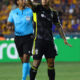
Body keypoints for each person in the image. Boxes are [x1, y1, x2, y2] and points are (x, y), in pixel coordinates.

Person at [27, 0, 72, 80]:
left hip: (49, 41)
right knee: (36, 63)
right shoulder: (37, 7)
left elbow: (58, 26)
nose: (44, 0)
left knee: (51, 64)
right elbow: (30, 4)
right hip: (38, 40)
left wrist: (64, 39)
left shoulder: (53, 12)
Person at [7, 0, 33, 80]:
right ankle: (33, 78)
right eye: (22, 0)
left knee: (26, 59)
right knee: (24, 61)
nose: (24, 1)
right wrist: (10, 26)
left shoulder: (30, 10)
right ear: (18, 2)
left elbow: (36, 19)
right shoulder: (13, 12)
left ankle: (23, 79)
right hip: (18, 38)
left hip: (28, 37)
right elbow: (9, 23)